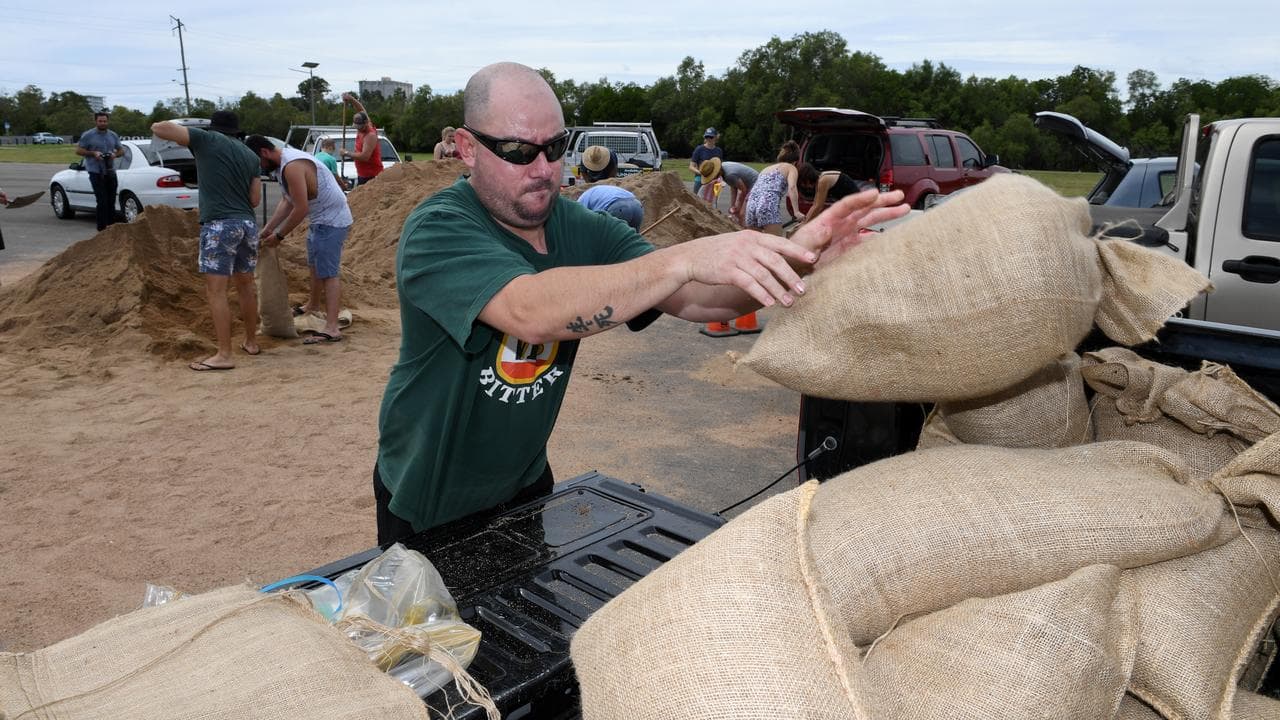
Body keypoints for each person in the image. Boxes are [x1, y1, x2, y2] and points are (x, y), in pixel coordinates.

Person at [371, 61, 907, 545]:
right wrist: (684, 257)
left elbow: (699, 299)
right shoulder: (438, 228)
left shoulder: (578, 227)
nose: (543, 168)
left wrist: (803, 255)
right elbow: (527, 312)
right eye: (518, 151)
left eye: (556, 148)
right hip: (429, 496)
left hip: (525, 481)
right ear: (467, 148)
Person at [152, 112, 263, 371]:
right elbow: (255, 199)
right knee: (246, 285)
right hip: (246, 224)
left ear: (214, 128)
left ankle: (224, 354)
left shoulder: (207, 139)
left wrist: (192, 127)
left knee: (216, 291)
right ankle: (251, 341)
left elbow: (159, 128)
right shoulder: (251, 155)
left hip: (220, 224)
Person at [246, 134, 354, 345]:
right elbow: (287, 201)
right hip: (320, 220)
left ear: (265, 153)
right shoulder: (281, 167)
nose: (258, 168)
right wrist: (268, 229)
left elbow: (301, 207)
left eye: (257, 162)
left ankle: (332, 328)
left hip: (332, 221)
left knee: (329, 273)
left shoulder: (292, 166)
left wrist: (279, 236)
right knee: (315, 266)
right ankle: (312, 305)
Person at [743, 140, 805, 235]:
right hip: (767, 205)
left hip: (751, 205)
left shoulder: (766, 168)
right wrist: (796, 212)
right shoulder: (791, 168)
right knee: (776, 243)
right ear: (796, 161)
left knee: (756, 244)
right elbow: (792, 188)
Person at [577, 145, 644, 231]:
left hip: (616, 206)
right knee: (632, 241)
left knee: (606, 239)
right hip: (636, 204)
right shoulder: (604, 189)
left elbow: (580, 218)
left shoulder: (585, 196)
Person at [75, 111, 124, 231]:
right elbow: (79, 151)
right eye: (100, 121)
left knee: (111, 200)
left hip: (110, 170)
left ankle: (112, 228)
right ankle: (101, 229)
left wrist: (114, 154)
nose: (103, 123)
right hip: (95, 171)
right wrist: (93, 153)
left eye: (105, 121)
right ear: (96, 121)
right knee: (102, 201)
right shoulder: (88, 135)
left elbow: (121, 150)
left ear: (108, 121)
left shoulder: (113, 135)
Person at [800, 169, 877, 224]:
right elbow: (815, 204)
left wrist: (805, 224)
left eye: (804, 183)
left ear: (808, 179)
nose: (806, 187)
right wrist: (805, 221)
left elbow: (818, 206)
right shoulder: (821, 178)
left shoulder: (822, 181)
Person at [339, 92, 383, 186]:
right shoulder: (362, 128)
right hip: (362, 174)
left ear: (366, 122)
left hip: (371, 176)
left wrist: (346, 153)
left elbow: (365, 157)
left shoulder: (370, 135)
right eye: (357, 126)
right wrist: (351, 99)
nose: (358, 128)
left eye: (360, 126)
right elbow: (361, 109)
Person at [700, 158, 759, 226]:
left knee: (742, 214)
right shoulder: (724, 168)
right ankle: (741, 229)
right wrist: (733, 206)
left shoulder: (729, 175)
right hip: (749, 185)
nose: (712, 179)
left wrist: (739, 205)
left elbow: (743, 191)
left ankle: (744, 232)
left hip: (756, 184)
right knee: (737, 212)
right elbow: (733, 188)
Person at [688, 127, 723, 201]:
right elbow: (691, 166)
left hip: (714, 179)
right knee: (697, 200)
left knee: (712, 202)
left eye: (711, 137)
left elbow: (720, 167)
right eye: (707, 137)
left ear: (716, 137)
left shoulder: (719, 151)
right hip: (701, 177)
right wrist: (700, 173)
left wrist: (721, 179)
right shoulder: (699, 149)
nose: (709, 139)